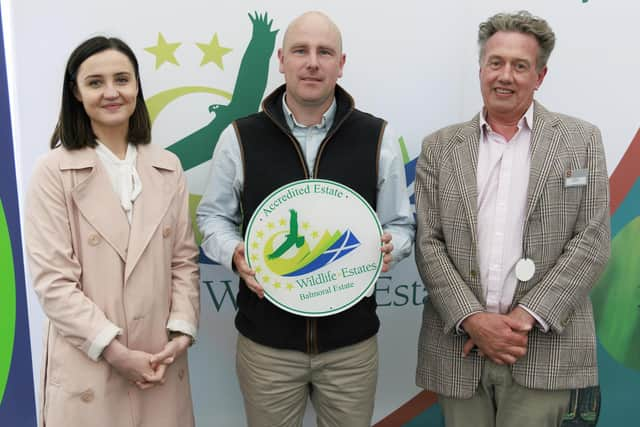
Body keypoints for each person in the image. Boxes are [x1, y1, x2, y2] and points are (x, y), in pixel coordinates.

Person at [197, 11, 415, 427]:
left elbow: (401, 225)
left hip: (350, 347)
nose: (312, 62)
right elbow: (211, 219)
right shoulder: (240, 136)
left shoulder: (376, 137)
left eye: (324, 52)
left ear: (341, 63)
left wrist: (392, 245)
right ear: (281, 59)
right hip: (267, 348)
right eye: (301, 50)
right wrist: (235, 253)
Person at [414, 11, 610, 427]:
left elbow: (591, 240)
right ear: (481, 69)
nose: (505, 75)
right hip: (460, 348)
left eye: (520, 66)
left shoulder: (581, 140)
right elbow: (428, 243)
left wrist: (521, 320)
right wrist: (475, 319)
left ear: (539, 76)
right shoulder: (439, 147)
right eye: (496, 62)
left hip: (542, 347)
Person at [24, 36, 200, 427]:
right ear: (76, 92)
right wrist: (115, 351)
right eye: (95, 82)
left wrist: (181, 330)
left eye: (122, 79)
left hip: (160, 364)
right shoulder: (53, 172)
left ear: (137, 85)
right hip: (90, 366)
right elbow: (54, 282)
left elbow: (184, 262)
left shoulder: (168, 166)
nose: (111, 92)